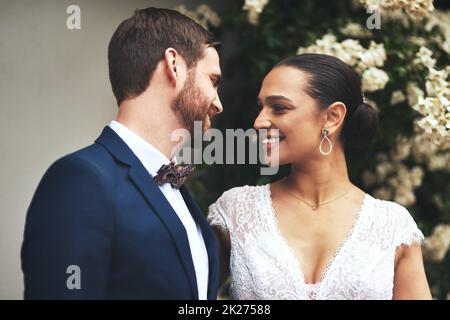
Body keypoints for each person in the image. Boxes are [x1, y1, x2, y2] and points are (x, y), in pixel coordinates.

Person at [21, 7, 223, 299]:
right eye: (213, 81)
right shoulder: (79, 181)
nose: (218, 104)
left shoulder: (178, 193)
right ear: (173, 65)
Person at [208, 53, 432, 300]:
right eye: (261, 107)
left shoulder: (393, 227)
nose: (259, 122)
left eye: (279, 108)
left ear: (332, 117)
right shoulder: (236, 211)